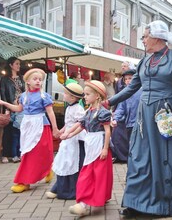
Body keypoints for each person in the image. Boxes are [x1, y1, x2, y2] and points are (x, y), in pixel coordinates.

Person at [107, 20, 172, 217]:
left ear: (157, 37)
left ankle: (163, 206)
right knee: (140, 158)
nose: (143, 40)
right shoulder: (144, 61)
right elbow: (132, 88)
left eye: (145, 36)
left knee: (165, 158)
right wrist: (109, 102)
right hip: (145, 117)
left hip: (168, 114)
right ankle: (138, 202)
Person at [0, 68, 60, 193]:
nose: (38, 81)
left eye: (40, 80)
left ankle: (25, 181)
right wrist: (4, 103)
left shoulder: (44, 96)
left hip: (41, 126)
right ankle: (45, 171)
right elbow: (18, 108)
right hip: (28, 126)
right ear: (28, 81)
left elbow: (50, 113)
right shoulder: (23, 96)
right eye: (35, 79)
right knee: (27, 152)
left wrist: (55, 128)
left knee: (39, 152)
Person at [60, 80, 112, 217]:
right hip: (90, 144)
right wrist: (69, 134)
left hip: (98, 144)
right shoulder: (88, 111)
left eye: (88, 94)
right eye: (85, 94)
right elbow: (81, 125)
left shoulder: (102, 112)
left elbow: (107, 131)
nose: (85, 97)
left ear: (97, 96)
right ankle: (83, 201)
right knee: (87, 173)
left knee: (99, 175)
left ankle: (90, 201)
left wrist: (105, 148)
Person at [46, 83, 86, 200]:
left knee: (73, 163)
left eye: (66, 93)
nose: (63, 95)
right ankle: (59, 188)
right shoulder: (69, 107)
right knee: (64, 162)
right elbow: (68, 124)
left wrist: (69, 133)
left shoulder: (78, 109)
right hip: (68, 139)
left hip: (75, 140)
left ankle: (72, 190)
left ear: (73, 97)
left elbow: (80, 124)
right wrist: (60, 131)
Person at [111, 69, 142, 160]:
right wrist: (116, 118)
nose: (128, 81)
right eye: (126, 79)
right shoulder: (124, 93)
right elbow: (121, 108)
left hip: (141, 124)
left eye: (130, 78)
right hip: (129, 125)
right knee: (131, 148)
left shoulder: (143, 91)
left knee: (139, 149)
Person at [0, 57, 25, 163]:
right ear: (11, 65)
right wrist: (7, 107)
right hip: (9, 107)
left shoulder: (21, 78)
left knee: (18, 132)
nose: (19, 66)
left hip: (19, 109)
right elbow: (3, 94)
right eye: (17, 64)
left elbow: (24, 92)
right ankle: (5, 154)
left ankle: (16, 154)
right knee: (7, 131)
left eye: (19, 64)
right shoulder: (5, 79)